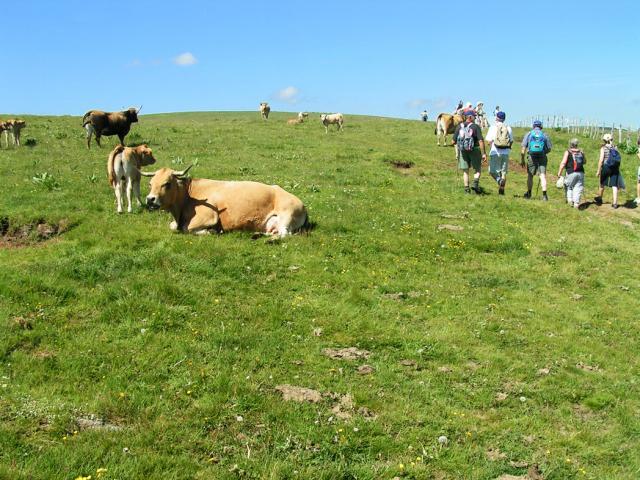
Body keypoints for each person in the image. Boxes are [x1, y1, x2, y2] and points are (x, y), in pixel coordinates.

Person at [452, 110, 487, 193]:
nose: (475, 117)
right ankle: (475, 183)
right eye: (474, 116)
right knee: (477, 169)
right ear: (470, 117)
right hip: (474, 149)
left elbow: (453, 142)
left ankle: (466, 189)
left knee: (465, 171)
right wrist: (484, 153)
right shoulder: (475, 127)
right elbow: (481, 141)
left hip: (463, 151)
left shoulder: (459, 126)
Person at [521, 119, 552, 200]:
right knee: (542, 175)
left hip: (531, 156)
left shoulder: (529, 134)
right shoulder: (544, 135)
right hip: (542, 156)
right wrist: (543, 152)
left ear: (533, 126)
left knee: (530, 175)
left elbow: (523, 148)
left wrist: (522, 159)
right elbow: (549, 148)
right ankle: (544, 195)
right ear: (541, 127)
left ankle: (529, 193)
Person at [484, 111, 513, 195]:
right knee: (503, 172)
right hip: (505, 153)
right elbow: (511, 141)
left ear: (496, 118)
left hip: (495, 152)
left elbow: (488, 141)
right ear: (504, 119)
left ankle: (499, 180)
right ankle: (502, 190)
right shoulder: (508, 128)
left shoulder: (493, 127)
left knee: (492, 171)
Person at [595, 133, 624, 208]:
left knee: (602, 182)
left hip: (606, 167)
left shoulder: (603, 148)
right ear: (611, 139)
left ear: (604, 140)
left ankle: (600, 198)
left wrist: (598, 170)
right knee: (614, 185)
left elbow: (601, 160)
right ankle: (615, 203)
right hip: (615, 168)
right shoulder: (615, 147)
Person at [557, 138, 586, 208]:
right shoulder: (581, 152)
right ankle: (576, 203)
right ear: (577, 144)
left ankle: (570, 201)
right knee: (578, 187)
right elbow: (584, 162)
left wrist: (559, 173)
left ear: (570, 144)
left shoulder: (568, 152)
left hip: (571, 172)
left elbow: (563, 163)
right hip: (581, 172)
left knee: (568, 186)